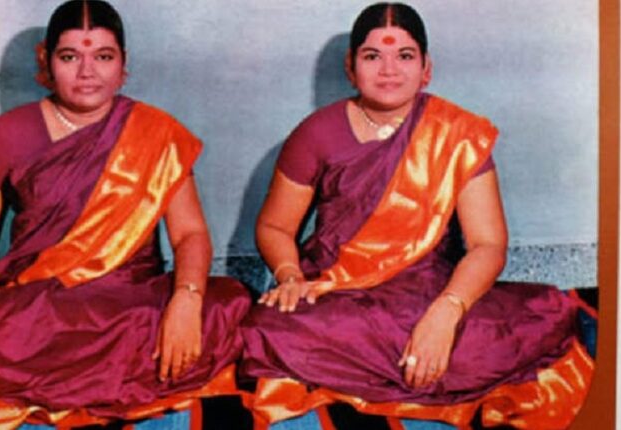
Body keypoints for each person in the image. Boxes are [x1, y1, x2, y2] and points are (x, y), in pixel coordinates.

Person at [240, 3, 593, 428]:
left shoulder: (456, 134)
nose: (389, 70)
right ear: (351, 68)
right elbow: (275, 226)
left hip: (429, 289)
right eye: (373, 56)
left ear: (426, 69)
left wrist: (446, 313)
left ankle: (380, 368)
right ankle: (418, 374)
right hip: (337, 291)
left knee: (543, 316)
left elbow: (488, 244)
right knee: (266, 327)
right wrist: (290, 275)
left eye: (404, 56)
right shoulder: (316, 132)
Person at [0, 1, 250, 428]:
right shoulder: (6, 135)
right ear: (46, 62)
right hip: (41, 299)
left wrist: (186, 300)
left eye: (103, 56)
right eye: (70, 57)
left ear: (123, 65)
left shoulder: (157, 132)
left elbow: (189, 233)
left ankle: (57, 380)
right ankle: (108, 378)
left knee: (229, 305)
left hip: (132, 297)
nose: (87, 72)